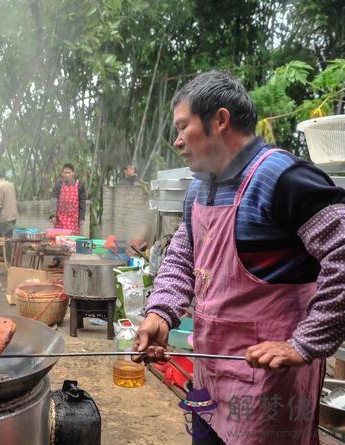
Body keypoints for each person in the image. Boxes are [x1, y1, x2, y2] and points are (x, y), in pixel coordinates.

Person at [134, 70, 345, 445]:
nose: (177, 141)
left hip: (270, 388)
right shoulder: (199, 187)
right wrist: (160, 312)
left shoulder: (282, 178)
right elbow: (184, 255)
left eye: (183, 127)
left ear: (219, 120)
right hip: (211, 377)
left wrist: (305, 343)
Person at [50, 163, 87, 235]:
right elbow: (54, 200)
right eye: (65, 173)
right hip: (60, 218)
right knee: (60, 239)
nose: (67, 175)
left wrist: (82, 217)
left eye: (69, 173)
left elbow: (82, 202)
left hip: (74, 219)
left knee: (72, 241)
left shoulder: (80, 185)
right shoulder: (58, 185)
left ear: (73, 173)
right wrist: (53, 215)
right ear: (62, 174)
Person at [0, 171, 18, 238]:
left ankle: (6, 249)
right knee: (8, 239)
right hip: (13, 216)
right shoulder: (10, 184)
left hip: (4, 218)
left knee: (2, 241)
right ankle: (9, 248)